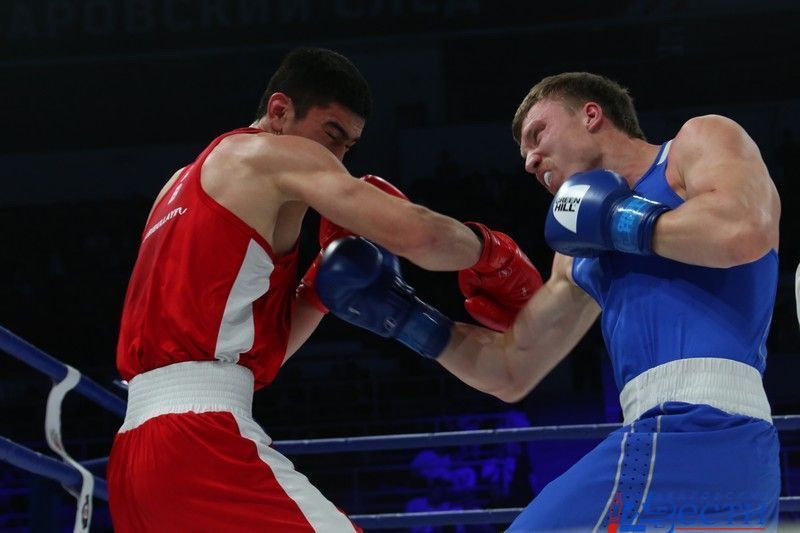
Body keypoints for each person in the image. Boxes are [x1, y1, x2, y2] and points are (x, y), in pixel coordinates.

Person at [315, 72, 782, 531]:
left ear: (591, 115)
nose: (530, 161)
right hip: (721, 455)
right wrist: (404, 317)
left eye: (538, 135)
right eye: (524, 154)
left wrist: (617, 219)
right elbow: (511, 368)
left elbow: (743, 231)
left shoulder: (694, 144)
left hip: (690, 431)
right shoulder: (578, 251)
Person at [106, 46, 542, 531]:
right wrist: (491, 251)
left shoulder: (177, 185)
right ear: (279, 111)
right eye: (331, 135)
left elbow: (247, 358)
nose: (335, 159)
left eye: (348, 147)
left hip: (133, 456)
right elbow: (420, 235)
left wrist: (320, 287)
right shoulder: (269, 157)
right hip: (200, 441)